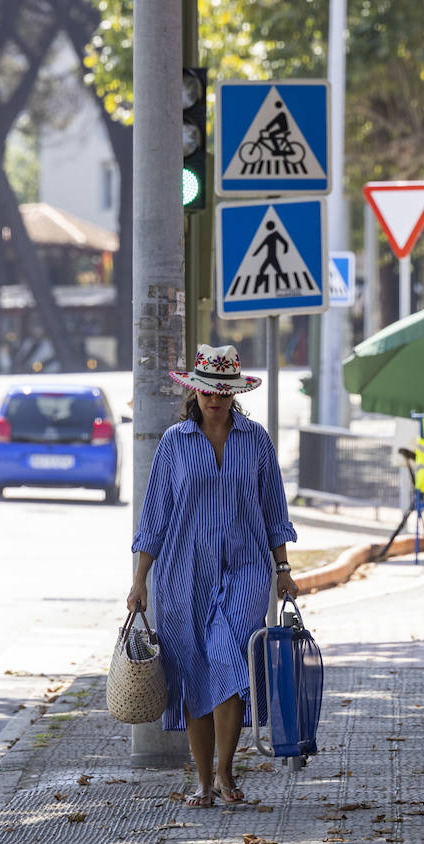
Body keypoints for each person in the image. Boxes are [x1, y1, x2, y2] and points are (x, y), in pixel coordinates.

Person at [127, 343, 299, 809]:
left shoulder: (256, 439)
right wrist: (140, 580)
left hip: (246, 567)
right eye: (208, 392)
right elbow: (155, 515)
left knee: (230, 656)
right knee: (192, 670)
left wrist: (282, 569)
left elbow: (273, 509)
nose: (216, 400)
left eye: (224, 393)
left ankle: (226, 771)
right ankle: (203, 781)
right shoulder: (174, 443)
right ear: (196, 393)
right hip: (183, 571)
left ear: (235, 394)